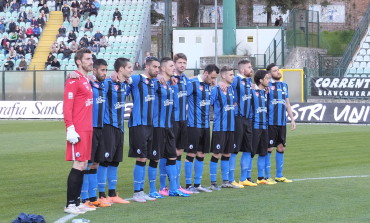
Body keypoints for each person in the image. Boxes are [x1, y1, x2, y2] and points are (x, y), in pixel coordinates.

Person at [150, 57, 190, 198]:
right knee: (156, 157)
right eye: (171, 65)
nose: (174, 68)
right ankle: (157, 188)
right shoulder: (155, 83)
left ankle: (173, 188)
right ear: (162, 68)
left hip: (169, 125)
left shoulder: (171, 84)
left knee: (172, 156)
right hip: (158, 126)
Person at [62, 48, 95, 214]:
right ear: (78, 61)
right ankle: (70, 204)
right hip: (78, 129)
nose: (91, 62)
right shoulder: (73, 79)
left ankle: (77, 201)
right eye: (87, 59)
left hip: (88, 128)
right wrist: (70, 127)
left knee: (83, 165)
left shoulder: (85, 79)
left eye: (91, 59)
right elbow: (67, 106)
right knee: (78, 164)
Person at [95, 58, 132, 204]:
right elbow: (94, 79)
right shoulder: (108, 83)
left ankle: (112, 194)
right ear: (121, 69)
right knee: (104, 161)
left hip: (120, 127)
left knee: (115, 161)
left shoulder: (124, 84)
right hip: (108, 126)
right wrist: (109, 75)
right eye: (129, 67)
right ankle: (102, 195)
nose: (131, 69)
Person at [128, 57, 159, 203]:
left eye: (158, 67)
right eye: (154, 67)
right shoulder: (136, 79)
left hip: (150, 124)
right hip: (138, 124)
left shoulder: (154, 82)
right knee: (141, 157)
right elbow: (121, 80)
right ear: (146, 67)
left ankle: (141, 190)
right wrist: (114, 75)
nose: (157, 69)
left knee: (145, 157)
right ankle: (137, 192)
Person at [185, 64, 219, 193]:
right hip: (193, 125)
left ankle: (197, 184)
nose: (213, 80)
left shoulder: (210, 86)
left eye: (215, 78)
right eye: (211, 77)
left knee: (202, 153)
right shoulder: (192, 83)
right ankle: (188, 185)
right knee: (191, 154)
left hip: (206, 125)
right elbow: (182, 99)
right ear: (205, 73)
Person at [209, 65, 239, 189]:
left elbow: (235, 103)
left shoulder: (231, 89)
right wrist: (214, 85)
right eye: (231, 75)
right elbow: (209, 103)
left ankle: (225, 181)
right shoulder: (216, 89)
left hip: (230, 127)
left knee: (227, 154)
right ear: (224, 76)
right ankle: (213, 182)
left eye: (233, 74)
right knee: (217, 153)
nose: (233, 77)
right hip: (219, 127)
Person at [266, 63, 296, 183]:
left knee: (281, 147)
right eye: (275, 70)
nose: (278, 72)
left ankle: (279, 175)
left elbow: (287, 103)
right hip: (270, 122)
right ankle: (267, 176)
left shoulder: (284, 85)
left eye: (278, 70)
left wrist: (292, 119)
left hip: (282, 122)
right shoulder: (266, 85)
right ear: (269, 74)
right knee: (268, 148)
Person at [232, 59, 257, 187]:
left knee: (248, 149)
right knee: (234, 149)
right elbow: (226, 85)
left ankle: (243, 178)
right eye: (249, 67)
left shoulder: (248, 82)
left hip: (248, 120)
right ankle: (230, 179)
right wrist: (220, 83)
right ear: (242, 70)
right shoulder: (236, 80)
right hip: (238, 118)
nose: (251, 69)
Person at [250, 70, 272, 185]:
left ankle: (260, 177)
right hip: (255, 126)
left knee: (263, 152)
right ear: (260, 80)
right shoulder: (253, 92)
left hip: (264, 126)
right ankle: (247, 177)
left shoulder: (265, 92)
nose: (269, 80)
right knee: (251, 152)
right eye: (267, 78)